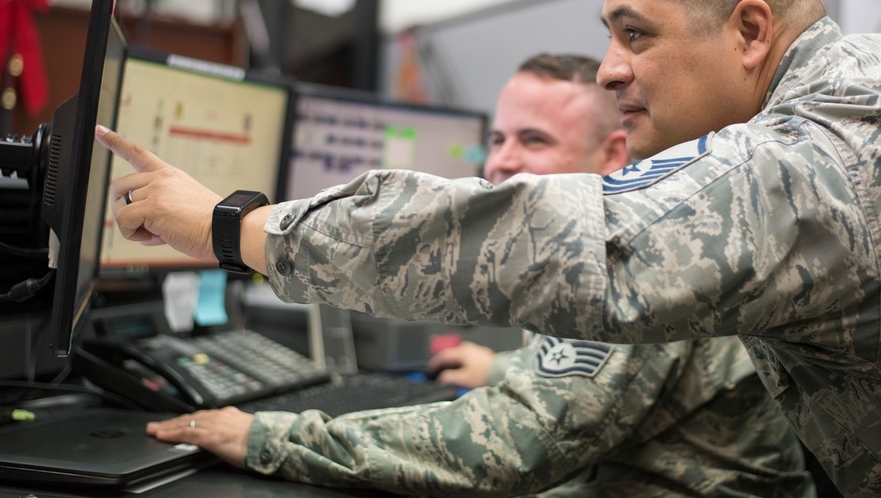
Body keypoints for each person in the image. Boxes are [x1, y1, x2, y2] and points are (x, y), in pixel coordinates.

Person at [97, 0, 881, 497]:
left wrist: (237, 226)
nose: (612, 69)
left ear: (750, 30)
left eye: (635, 35)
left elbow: (568, 244)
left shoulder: (809, 161)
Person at [134, 53, 814, 496]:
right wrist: (503, 371)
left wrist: (266, 436)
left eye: (534, 141)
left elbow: (502, 450)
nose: (500, 163)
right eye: (497, 138)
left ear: (613, 152)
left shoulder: (635, 255)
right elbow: (599, 399)